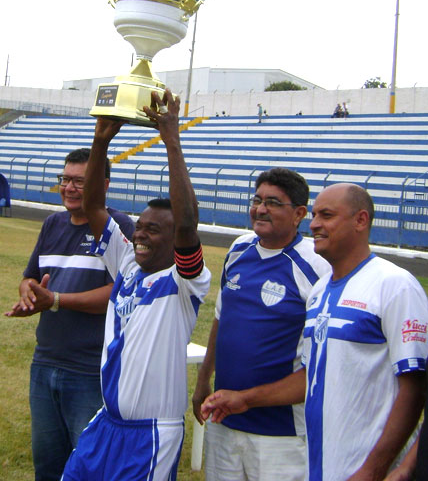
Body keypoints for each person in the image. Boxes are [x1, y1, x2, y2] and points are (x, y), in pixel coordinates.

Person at [202, 183, 428, 481]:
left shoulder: (395, 284)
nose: (316, 224)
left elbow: (415, 386)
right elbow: (311, 375)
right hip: (320, 461)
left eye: (328, 215)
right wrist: (245, 399)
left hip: (366, 466)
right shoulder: (321, 291)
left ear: (361, 220)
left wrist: (376, 469)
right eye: (316, 214)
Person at [61, 89, 211, 480]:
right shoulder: (127, 262)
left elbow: (186, 223)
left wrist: (171, 142)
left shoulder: (184, 282)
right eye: (139, 226)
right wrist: (100, 140)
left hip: (150, 434)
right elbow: (94, 207)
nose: (140, 234)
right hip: (106, 422)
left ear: (173, 236)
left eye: (153, 230)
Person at [5, 148, 135, 481]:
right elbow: (30, 276)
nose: (69, 187)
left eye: (80, 181)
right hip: (45, 361)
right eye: (65, 179)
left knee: (88, 467)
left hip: (90, 369)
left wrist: (58, 300)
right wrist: (29, 294)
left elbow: (120, 292)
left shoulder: (118, 226)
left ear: (103, 185)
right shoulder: (52, 223)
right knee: (47, 465)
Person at [192, 168, 331, 480]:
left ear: (298, 214)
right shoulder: (239, 250)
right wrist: (204, 379)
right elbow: (220, 320)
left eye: (272, 202)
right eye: (257, 200)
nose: (260, 209)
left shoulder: (316, 265)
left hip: (281, 433)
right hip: (223, 420)